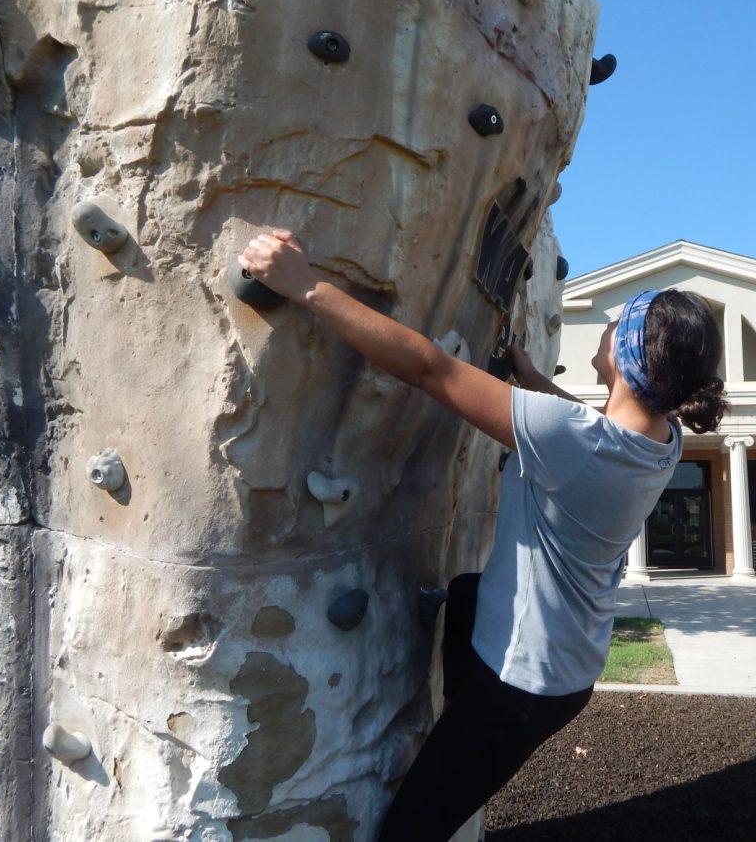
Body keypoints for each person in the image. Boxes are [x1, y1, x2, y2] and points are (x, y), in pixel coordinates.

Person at [237, 230, 728, 842]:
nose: (602, 330)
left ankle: (451, 757)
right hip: (568, 668)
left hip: (518, 687)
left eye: (613, 325)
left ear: (628, 355)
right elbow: (592, 426)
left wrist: (305, 283)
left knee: (413, 829)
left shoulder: (571, 437)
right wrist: (530, 380)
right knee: (468, 592)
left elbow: (427, 367)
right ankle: (454, 743)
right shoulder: (662, 440)